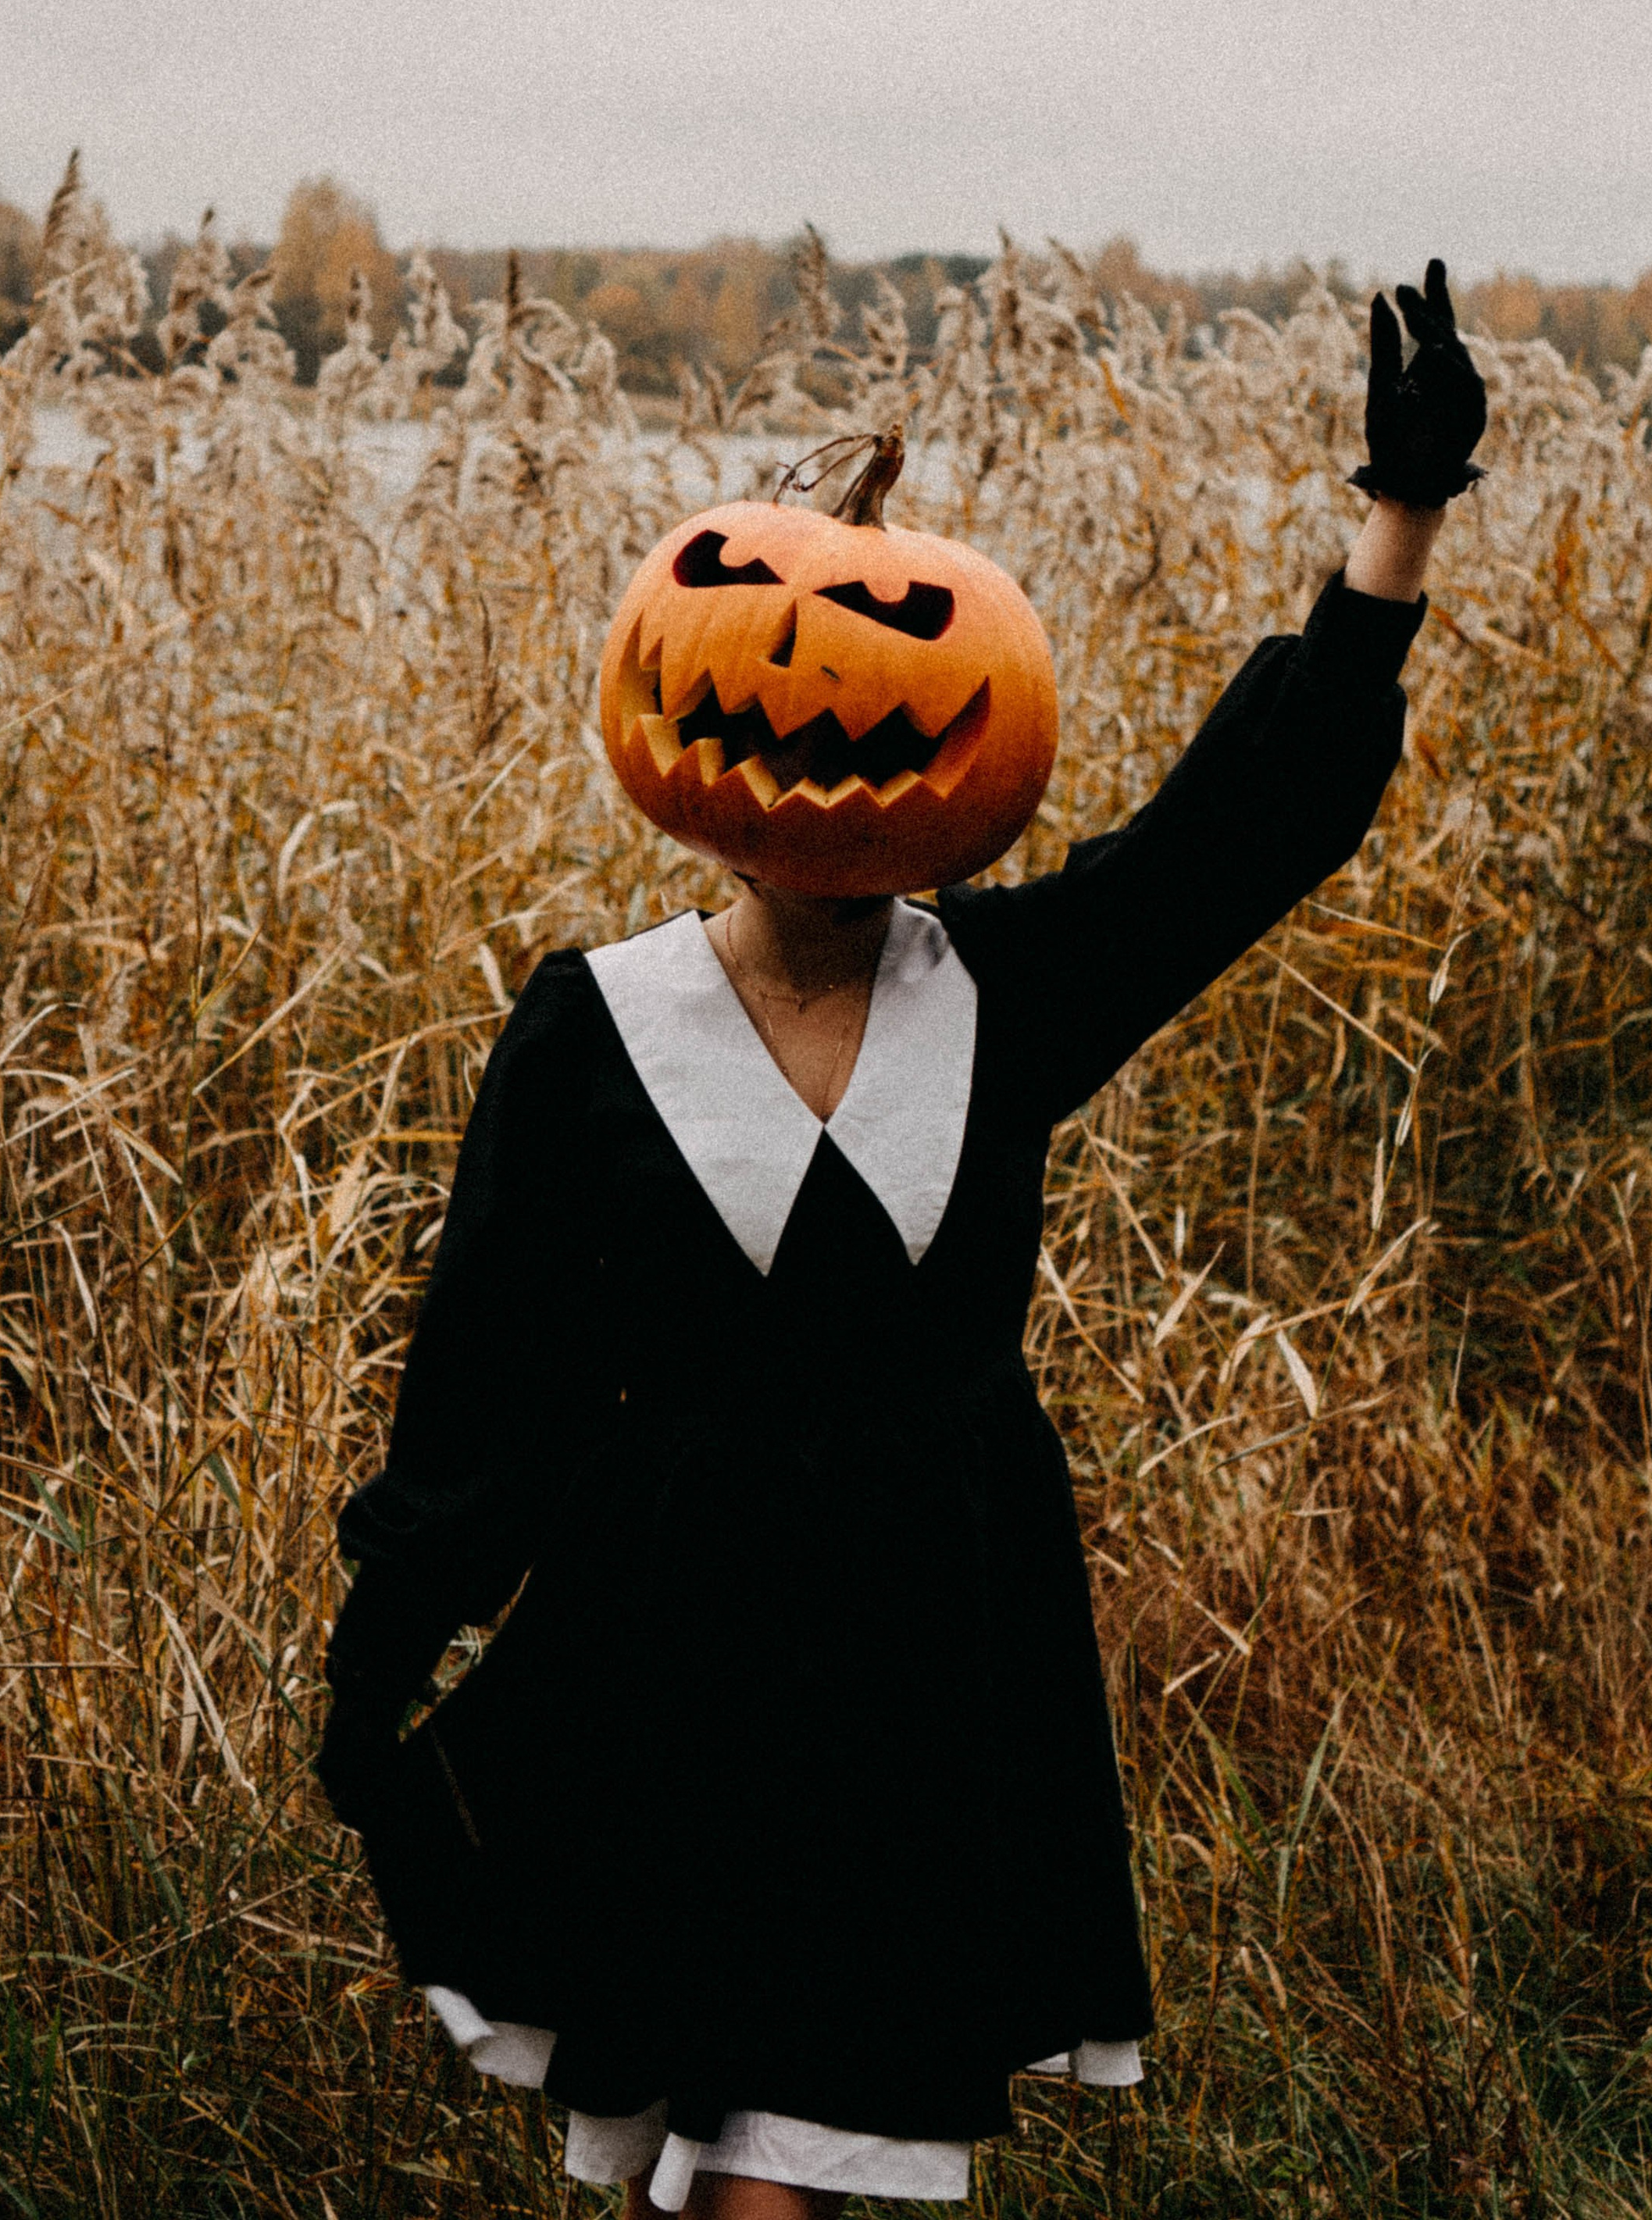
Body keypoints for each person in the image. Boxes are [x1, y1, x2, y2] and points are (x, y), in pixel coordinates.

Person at [319, 266, 1487, 2218]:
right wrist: (385, 1653)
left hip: (934, 1641)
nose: (825, 720)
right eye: (783, 668)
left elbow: (1243, 830)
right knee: (752, 2171)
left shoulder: (1007, 993)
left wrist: (1398, 521)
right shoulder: (589, 1031)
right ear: (683, 724)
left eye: (891, 673)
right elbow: (483, 1385)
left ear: (964, 750)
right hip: (676, 1648)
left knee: (811, 2164)